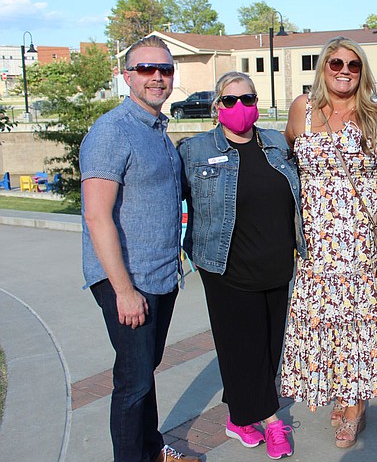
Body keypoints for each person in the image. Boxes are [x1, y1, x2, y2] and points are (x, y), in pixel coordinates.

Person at [280, 36, 377, 449]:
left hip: (362, 240)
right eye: (336, 63)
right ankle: (343, 389)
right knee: (328, 322)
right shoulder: (303, 109)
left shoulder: (376, 115)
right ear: (323, 67)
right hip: (317, 241)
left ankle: (355, 408)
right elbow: (287, 156)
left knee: (359, 323)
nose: (344, 70)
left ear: (362, 71)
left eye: (353, 64)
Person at [80, 35, 198, 462]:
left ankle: (152, 449)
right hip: (127, 280)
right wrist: (124, 291)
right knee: (132, 383)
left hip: (160, 276)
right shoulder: (112, 132)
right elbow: (97, 216)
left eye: (164, 69)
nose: (157, 77)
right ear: (126, 75)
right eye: (146, 69)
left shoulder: (158, 132)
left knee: (143, 375)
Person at [178, 72, 306, 460]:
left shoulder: (274, 143)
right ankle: (270, 422)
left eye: (247, 99)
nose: (240, 108)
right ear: (218, 107)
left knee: (267, 347)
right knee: (245, 346)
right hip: (226, 268)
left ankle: (239, 416)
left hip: (275, 266)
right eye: (230, 101)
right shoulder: (194, 150)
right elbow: (169, 203)